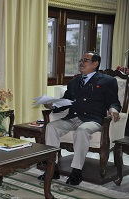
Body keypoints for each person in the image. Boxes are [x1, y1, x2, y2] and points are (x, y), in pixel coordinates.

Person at [38, 52, 122, 185]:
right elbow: (66, 101)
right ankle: (52, 168)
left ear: (95, 64)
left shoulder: (107, 81)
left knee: (82, 131)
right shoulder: (74, 81)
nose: (82, 63)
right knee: (51, 127)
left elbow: (114, 101)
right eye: (81, 60)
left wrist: (113, 110)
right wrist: (53, 105)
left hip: (93, 119)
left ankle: (76, 171)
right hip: (73, 117)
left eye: (86, 60)